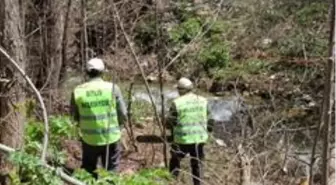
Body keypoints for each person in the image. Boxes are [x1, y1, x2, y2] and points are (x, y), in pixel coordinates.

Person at [70, 58, 127, 178]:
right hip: (111, 137)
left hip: (89, 139)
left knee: (89, 171)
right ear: (103, 72)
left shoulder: (78, 91)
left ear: (87, 72)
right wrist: (120, 126)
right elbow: (123, 113)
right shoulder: (112, 88)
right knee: (111, 170)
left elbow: (73, 116)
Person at [167, 77, 213, 185]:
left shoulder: (176, 103)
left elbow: (170, 123)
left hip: (182, 139)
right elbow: (211, 120)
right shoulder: (203, 100)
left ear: (180, 90)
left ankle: (172, 181)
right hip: (199, 139)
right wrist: (208, 132)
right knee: (197, 165)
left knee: (175, 161)